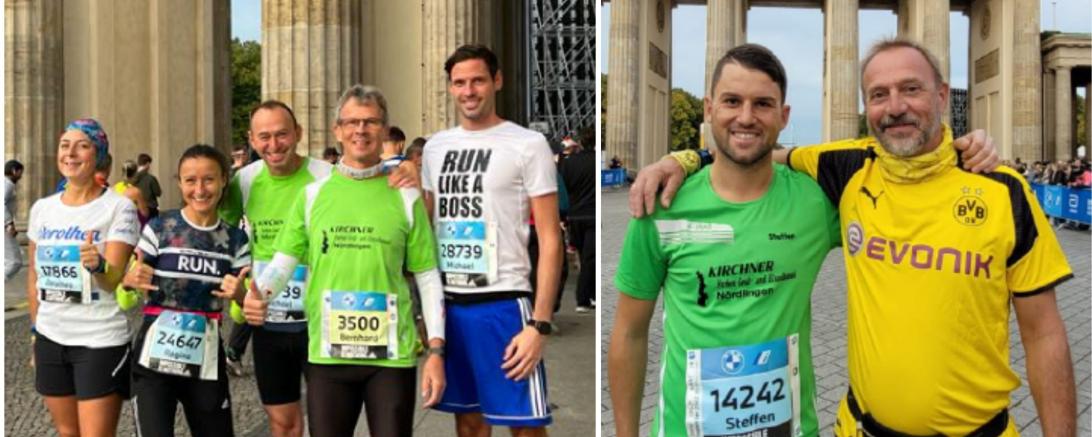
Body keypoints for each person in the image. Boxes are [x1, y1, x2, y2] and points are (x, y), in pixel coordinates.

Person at [630, 39, 1075, 436]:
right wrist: (686, 158)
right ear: (866, 107)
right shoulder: (846, 167)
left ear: (942, 95)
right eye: (879, 95)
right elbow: (753, 146)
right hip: (860, 427)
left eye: (912, 89)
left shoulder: (1003, 189)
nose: (895, 106)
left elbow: (1045, 336)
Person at [243, 84, 446, 437]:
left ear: (383, 129)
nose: (361, 130)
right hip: (328, 355)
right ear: (338, 130)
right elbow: (284, 260)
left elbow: (427, 277)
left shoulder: (406, 196)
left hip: (390, 355)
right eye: (351, 122)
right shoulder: (312, 195)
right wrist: (260, 292)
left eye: (370, 122)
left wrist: (437, 351)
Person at [423, 44, 560, 436]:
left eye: (478, 80)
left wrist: (540, 323)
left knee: (526, 428)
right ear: (450, 88)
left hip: (504, 305)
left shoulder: (527, 144)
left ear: (496, 81)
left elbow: (550, 238)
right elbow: (425, 228)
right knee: (468, 425)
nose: (469, 91)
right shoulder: (435, 147)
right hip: (451, 307)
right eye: (460, 82)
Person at [219, 100, 333, 437]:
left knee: (328, 423)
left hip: (319, 321)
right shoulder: (245, 180)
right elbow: (217, 232)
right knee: (283, 424)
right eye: (264, 137)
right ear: (252, 140)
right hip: (269, 320)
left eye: (282, 134)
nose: (273, 145)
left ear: (297, 133)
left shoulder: (327, 177)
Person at [120, 144, 251, 437]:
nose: (200, 189)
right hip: (153, 361)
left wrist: (241, 295)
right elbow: (126, 295)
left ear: (223, 181)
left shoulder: (235, 240)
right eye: (190, 180)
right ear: (179, 183)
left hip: (205, 361)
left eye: (209, 179)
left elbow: (241, 314)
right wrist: (129, 280)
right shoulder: (159, 228)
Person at [27, 118, 139, 437]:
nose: (71, 153)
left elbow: (114, 280)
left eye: (82, 145)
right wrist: (36, 332)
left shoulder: (119, 207)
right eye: (65, 145)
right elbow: (34, 276)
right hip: (51, 336)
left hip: (98, 339)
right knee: (67, 432)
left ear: (98, 154)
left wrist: (99, 266)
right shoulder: (42, 209)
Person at [558, 126, 596, 313]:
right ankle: (583, 298)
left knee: (585, 256)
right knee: (590, 258)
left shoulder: (570, 163)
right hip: (592, 214)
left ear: (580, 142)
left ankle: (592, 295)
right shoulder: (595, 162)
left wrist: (563, 216)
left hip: (575, 215)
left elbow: (563, 189)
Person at [114, 160, 151, 227]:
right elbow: (145, 213)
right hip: (129, 227)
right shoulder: (135, 191)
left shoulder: (114, 188)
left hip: (115, 226)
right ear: (135, 173)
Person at [6, 159, 25, 280]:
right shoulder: (7, 184)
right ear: (14, 171)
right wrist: (9, 224)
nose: (21, 176)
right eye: (20, 172)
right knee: (15, 262)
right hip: (4, 227)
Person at [133, 153, 163, 219]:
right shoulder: (151, 178)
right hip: (151, 209)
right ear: (147, 164)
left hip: (137, 209)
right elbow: (158, 193)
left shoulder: (132, 178)